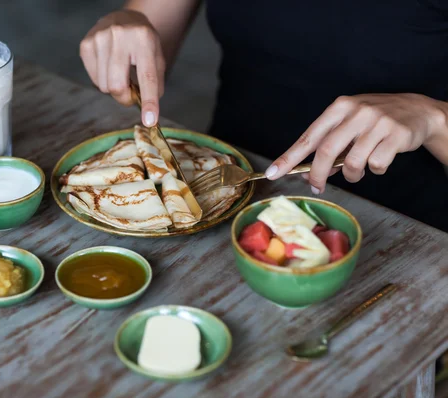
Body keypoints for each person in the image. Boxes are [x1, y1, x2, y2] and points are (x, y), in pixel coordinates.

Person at [79, 0, 448, 232]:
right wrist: (126, 27)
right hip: (222, 195)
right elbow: (147, 37)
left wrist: (434, 120)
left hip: (402, 234)